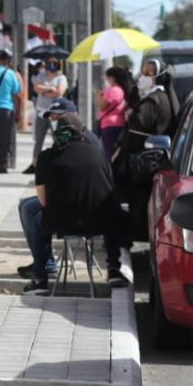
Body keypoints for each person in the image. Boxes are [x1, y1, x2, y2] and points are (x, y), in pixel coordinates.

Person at [22, 114, 131, 295]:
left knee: (38, 219)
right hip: (99, 222)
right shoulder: (99, 153)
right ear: (82, 134)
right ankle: (113, 269)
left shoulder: (46, 157)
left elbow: (43, 201)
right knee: (111, 212)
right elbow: (108, 188)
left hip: (61, 222)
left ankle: (40, 279)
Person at [117, 59, 176, 241]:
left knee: (138, 202)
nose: (143, 77)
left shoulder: (154, 100)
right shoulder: (152, 98)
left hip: (144, 162)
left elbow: (137, 125)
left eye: (149, 74)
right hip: (146, 159)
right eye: (143, 72)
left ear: (158, 77)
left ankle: (133, 236)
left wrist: (131, 114)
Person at [23, 59, 68, 173]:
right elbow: (36, 88)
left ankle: (59, 164)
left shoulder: (61, 78)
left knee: (57, 139)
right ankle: (35, 164)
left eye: (54, 64)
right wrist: (50, 89)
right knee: (39, 140)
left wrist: (44, 92)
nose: (51, 67)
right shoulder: (41, 76)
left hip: (54, 114)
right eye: (49, 64)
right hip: (41, 113)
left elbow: (59, 92)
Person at [97, 65, 136, 161]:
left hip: (110, 125)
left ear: (112, 78)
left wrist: (98, 96)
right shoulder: (121, 90)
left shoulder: (114, 90)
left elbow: (102, 105)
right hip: (117, 124)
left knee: (109, 154)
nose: (106, 80)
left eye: (107, 77)